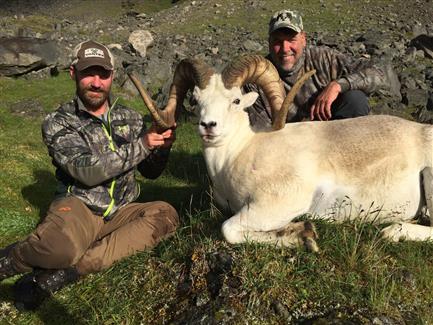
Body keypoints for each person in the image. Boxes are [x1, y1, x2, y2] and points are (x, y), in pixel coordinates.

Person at [0, 40, 179, 309]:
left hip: (121, 209)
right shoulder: (58, 121)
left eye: (103, 75)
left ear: (111, 77)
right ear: (74, 74)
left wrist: (162, 147)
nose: (96, 82)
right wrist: (142, 144)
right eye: (88, 73)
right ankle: (11, 258)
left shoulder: (130, 118)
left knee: (165, 215)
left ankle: (66, 274)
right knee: (60, 249)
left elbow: (151, 172)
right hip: (79, 206)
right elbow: (86, 171)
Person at [245, 9, 389, 128]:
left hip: (332, 138)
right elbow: (262, 132)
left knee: (355, 99)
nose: (285, 48)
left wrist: (337, 85)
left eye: (291, 40)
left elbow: (379, 72)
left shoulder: (323, 58)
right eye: (277, 41)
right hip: (289, 147)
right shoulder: (257, 79)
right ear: (269, 42)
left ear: (303, 39)